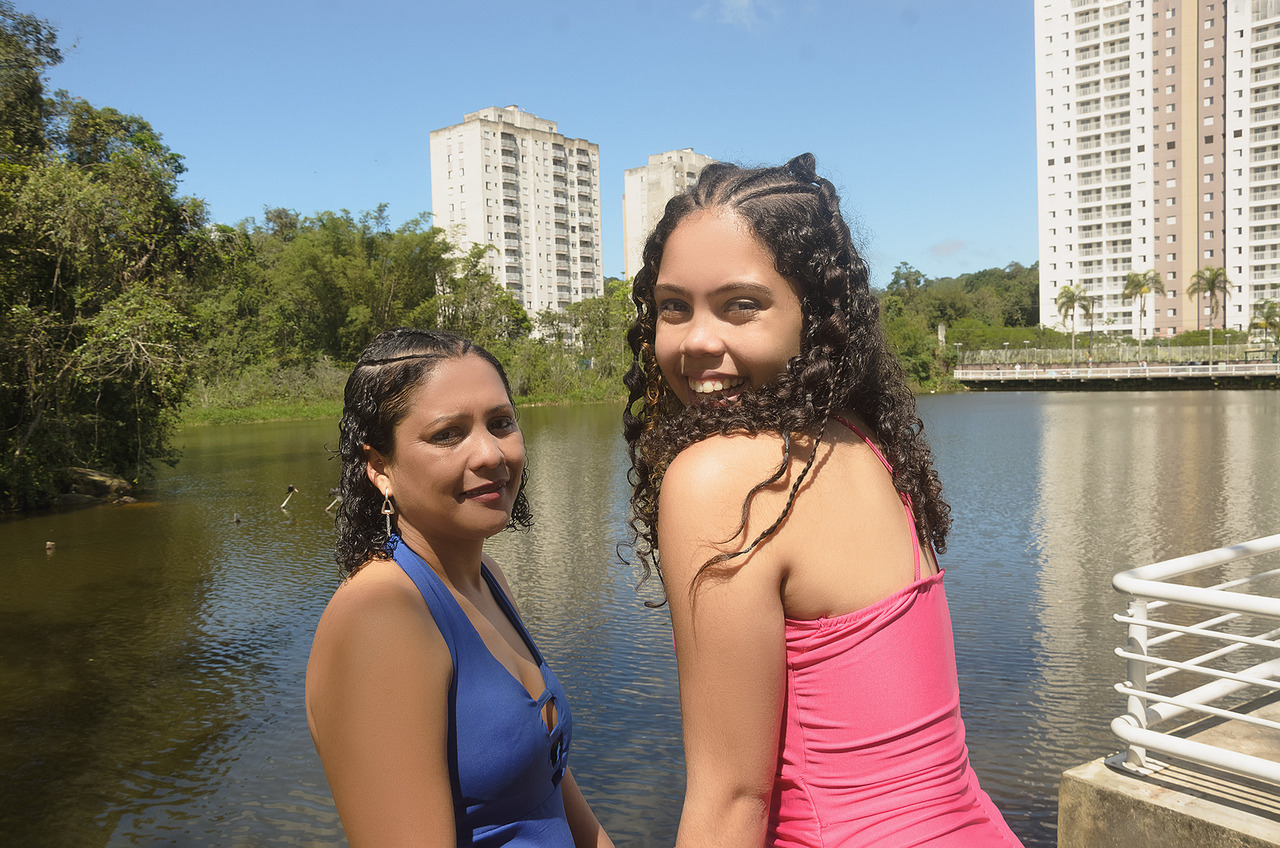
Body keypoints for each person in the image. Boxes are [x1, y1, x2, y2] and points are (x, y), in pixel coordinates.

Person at [622, 155, 1022, 847]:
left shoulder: (721, 478)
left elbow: (730, 802)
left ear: (815, 315)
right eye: (673, 307)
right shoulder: (861, 444)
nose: (697, 341)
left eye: (741, 304)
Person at [307, 328, 613, 847]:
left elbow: (551, 786)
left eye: (501, 423)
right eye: (449, 434)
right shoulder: (381, 613)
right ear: (379, 467)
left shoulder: (488, 578)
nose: (491, 453)